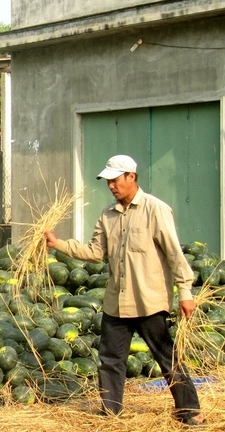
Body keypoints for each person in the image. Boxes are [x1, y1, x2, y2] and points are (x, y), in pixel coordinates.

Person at [44, 155, 205, 425]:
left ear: (132, 176)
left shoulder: (156, 209)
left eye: (115, 180)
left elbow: (175, 254)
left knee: (167, 357)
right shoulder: (108, 215)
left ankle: (190, 411)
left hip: (149, 301)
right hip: (116, 302)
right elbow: (95, 253)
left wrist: (185, 293)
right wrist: (58, 244)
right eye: (108, 181)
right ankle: (111, 412)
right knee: (109, 359)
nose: (111, 186)